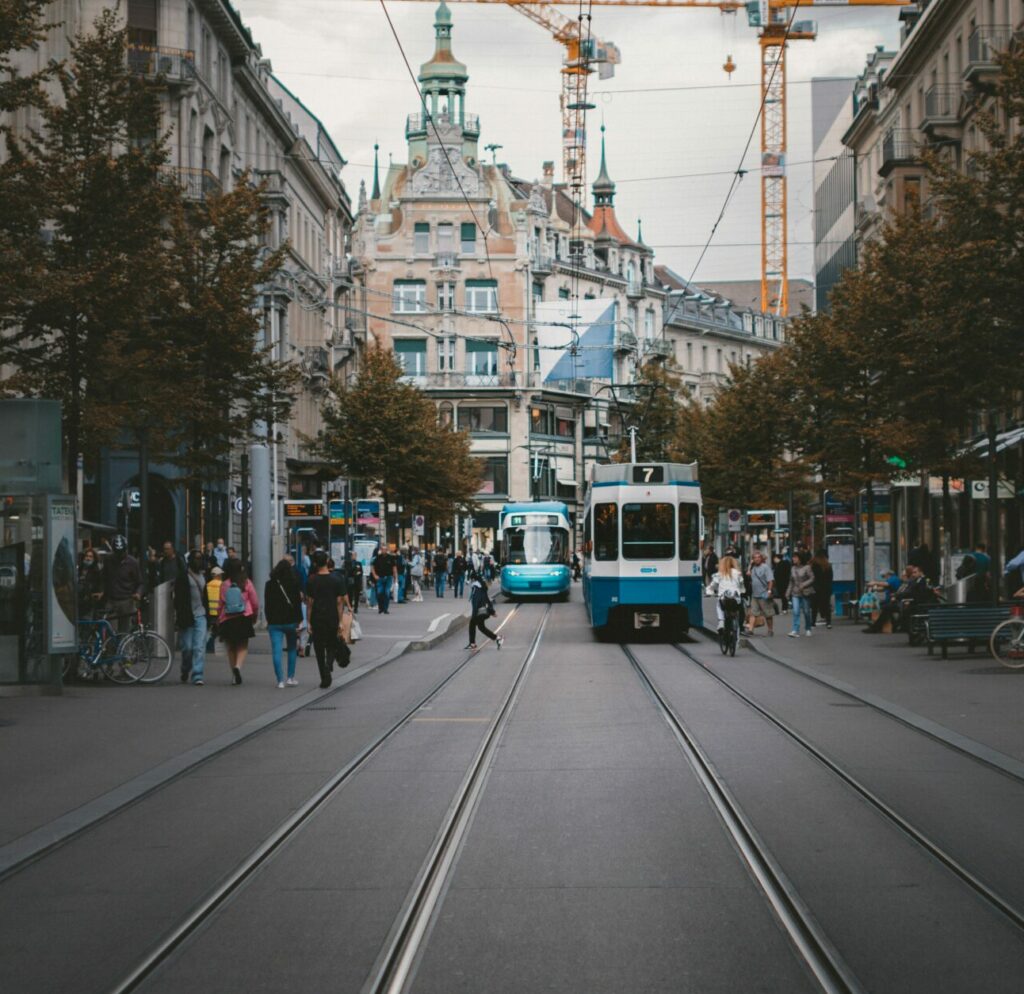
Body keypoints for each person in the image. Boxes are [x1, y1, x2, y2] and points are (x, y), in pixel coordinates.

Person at [306, 550, 350, 688]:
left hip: (317, 617)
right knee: (331, 643)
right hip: (331, 616)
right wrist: (340, 621)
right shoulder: (337, 579)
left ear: (315, 563)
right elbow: (339, 602)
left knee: (318, 647)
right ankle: (329, 663)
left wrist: (308, 621)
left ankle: (324, 677)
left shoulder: (311, 580)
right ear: (327, 562)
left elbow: (309, 603)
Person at [218, 557, 259, 684]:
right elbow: (255, 602)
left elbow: (220, 604)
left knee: (231, 647)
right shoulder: (246, 583)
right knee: (242, 646)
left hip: (228, 619)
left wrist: (218, 618)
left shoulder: (224, 584)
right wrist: (254, 616)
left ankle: (233, 675)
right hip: (244, 617)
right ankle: (238, 667)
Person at [265, 558, 303, 688]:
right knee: (292, 649)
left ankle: (280, 680)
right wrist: (299, 620)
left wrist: (268, 620)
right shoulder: (294, 583)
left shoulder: (269, 584)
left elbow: (267, 605)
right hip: (290, 621)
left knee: (277, 651)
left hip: (274, 622)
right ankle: (290, 678)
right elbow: (297, 604)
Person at [176, 550, 209, 685]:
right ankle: (185, 668)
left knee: (199, 646)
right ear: (190, 560)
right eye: (195, 558)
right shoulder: (183, 576)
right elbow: (177, 599)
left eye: (200, 558)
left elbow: (206, 597)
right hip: (187, 617)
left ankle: (197, 674)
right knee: (187, 648)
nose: (198, 561)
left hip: (201, 615)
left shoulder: (203, 576)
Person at [103, 534, 144, 632]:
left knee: (125, 631)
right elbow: (103, 577)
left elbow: (140, 582)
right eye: (117, 553)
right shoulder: (108, 560)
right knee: (110, 630)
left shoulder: (132, 562)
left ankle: (124, 646)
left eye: (121, 552)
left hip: (127, 601)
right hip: (112, 601)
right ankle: (111, 647)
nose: (119, 555)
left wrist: (138, 593)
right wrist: (102, 591)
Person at [706, 555, 744, 634]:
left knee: (719, 606)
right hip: (735, 598)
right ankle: (737, 626)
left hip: (724, 598)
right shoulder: (738, 573)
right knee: (738, 608)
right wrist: (742, 591)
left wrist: (710, 591)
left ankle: (721, 621)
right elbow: (741, 586)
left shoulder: (719, 574)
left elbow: (713, 586)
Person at [466, 569, 503, 650]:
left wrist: (474, 613)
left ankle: (472, 644)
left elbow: (476, 601)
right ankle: (497, 638)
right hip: (483, 611)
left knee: (472, 625)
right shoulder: (481, 586)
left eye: (470, 579)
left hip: (479, 611)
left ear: (473, 579)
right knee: (481, 627)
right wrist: (492, 611)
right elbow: (487, 599)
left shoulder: (476, 587)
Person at [745, 551, 776, 636]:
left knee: (768, 613)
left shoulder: (765, 567)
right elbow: (748, 574)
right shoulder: (753, 568)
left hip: (764, 594)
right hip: (755, 595)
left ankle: (770, 630)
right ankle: (751, 630)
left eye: (758, 557)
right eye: (755, 557)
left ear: (761, 558)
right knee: (753, 613)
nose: (757, 559)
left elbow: (770, 580)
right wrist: (750, 566)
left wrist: (769, 591)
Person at [786, 550, 815, 637]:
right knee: (795, 611)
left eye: (795, 557)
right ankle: (795, 630)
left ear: (800, 559)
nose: (793, 559)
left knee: (806, 611)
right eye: (793, 557)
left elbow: (812, 578)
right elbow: (791, 582)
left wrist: (804, 584)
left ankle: (808, 628)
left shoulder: (807, 567)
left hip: (805, 592)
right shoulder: (792, 569)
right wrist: (788, 592)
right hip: (795, 592)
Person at [810, 548, 834, 628]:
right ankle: (828, 622)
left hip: (816, 588)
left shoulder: (813, 565)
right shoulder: (828, 566)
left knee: (814, 607)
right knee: (827, 606)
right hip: (826, 588)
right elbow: (830, 578)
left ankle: (813, 622)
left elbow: (811, 578)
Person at [77, 548, 104, 620]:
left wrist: (99, 593)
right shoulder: (79, 569)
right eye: (87, 556)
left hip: (89, 604)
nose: (88, 558)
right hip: (78, 602)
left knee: (87, 623)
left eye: (90, 556)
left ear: (94, 559)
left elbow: (101, 585)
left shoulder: (97, 572)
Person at [371, 545, 396, 614]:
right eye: (382, 549)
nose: (384, 550)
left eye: (385, 549)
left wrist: (395, 577)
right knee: (379, 593)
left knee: (387, 593)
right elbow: (372, 567)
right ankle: (380, 608)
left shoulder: (390, 558)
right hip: (380, 578)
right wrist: (375, 575)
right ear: (381, 550)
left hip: (388, 577)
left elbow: (394, 568)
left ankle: (385, 609)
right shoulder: (377, 558)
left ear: (387, 550)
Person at [205, 566, 223, 653]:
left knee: (212, 629)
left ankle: (209, 646)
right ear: (218, 575)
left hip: (209, 612)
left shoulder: (207, 585)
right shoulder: (221, 585)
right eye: (221, 574)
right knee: (216, 630)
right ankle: (209, 646)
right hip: (219, 612)